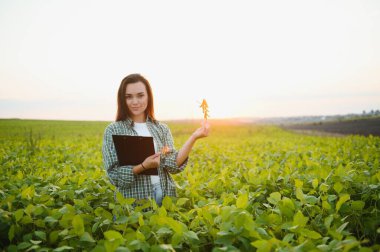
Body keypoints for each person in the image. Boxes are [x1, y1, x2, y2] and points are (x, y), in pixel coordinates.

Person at [102, 73, 210, 207]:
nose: (135, 101)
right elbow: (114, 175)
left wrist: (194, 137)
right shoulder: (113, 130)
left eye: (140, 95)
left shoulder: (161, 128)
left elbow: (173, 164)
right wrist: (143, 167)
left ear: (148, 97)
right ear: (122, 100)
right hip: (134, 202)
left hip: (164, 196)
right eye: (129, 97)